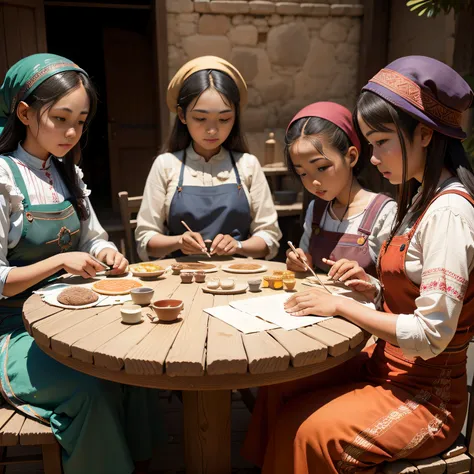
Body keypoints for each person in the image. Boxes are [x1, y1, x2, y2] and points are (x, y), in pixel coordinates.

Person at [242, 55, 474, 473]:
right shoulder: (419, 199)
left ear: (424, 134)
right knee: (280, 386)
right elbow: (415, 292)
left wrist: (344, 305)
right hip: (387, 367)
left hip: (427, 396)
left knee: (312, 432)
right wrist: (375, 290)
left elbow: (432, 333)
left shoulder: (449, 212)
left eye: (381, 141)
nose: (372, 157)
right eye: (370, 143)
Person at [0, 54, 162, 474]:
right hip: (11, 331)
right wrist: (58, 261)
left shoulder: (67, 173)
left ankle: (143, 464)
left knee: (138, 367)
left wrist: (105, 251)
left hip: (68, 320)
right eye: (60, 118)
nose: (72, 132)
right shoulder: (2, 179)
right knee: (91, 389)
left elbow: (92, 238)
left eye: (82, 120)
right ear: (24, 112)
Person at [135, 56, 281, 261]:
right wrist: (178, 242)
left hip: (238, 277)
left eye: (224, 119)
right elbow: (145, 239)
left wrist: (239, 245)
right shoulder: (166, 165)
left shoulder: (248, 165)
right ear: (182, 115)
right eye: (200, 118)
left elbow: (269, 238)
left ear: (235, 117)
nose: (212, 130)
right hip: (180, 279)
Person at [284, 102, 396, 282]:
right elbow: (306, 266)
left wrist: (365, 279)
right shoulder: (316, 210)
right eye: (302, 173)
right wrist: (299, 261)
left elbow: (394, 285)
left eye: (322, 167)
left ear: (351, 156)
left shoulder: (384, 213)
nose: (313, 181)